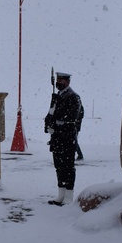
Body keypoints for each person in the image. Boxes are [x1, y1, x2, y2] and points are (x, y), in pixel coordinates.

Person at [44, 72, 82, 205]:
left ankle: (69, 195)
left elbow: (72, 117)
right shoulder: (58, 96)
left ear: (67, 82)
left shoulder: (73, 97)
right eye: (57, 80)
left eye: (61, 80)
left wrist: (55, 122)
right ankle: (61, 194)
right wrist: (48, 124)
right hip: (57, 137)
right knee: (58, 166)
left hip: (67, 136)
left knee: (68, 166)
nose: (58, 82)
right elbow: (50, 113)